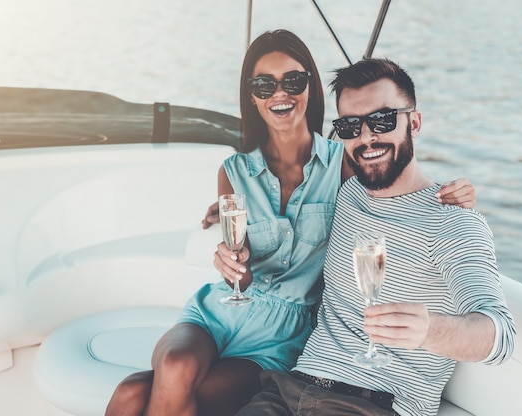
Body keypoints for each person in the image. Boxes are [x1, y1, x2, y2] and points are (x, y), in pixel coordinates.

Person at [105, 30, 476, 416]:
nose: (279, 94)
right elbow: (241, 275)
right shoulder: (233, 171)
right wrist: (233, 265)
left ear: (310, 89)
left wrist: (451, 193)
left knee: (134, 396)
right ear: (252, 96)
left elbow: (390, 181)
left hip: (282, 336)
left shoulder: (345, 163)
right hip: (219, 312)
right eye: (264, 84)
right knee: (172, 366)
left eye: (293, 81)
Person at [235, 58, 517, 416]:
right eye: (350, 126)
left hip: (373, 404)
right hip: (289, 390)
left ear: (414, 122)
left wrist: (429, 330)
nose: (366, 137)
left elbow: (501, 336)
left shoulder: (453, 224)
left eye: (382, 121)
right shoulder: (347, 192)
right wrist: (225, 217)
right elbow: (281, 192)